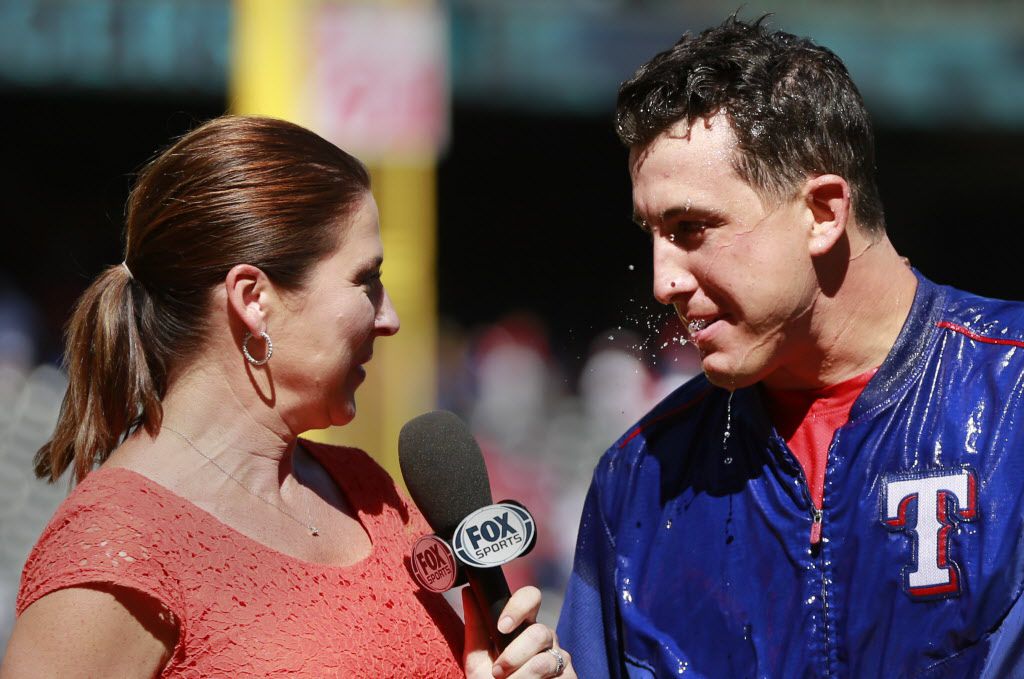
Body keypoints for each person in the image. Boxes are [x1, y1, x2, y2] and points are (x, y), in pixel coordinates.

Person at [1, 115, 574, 679]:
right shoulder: (118, 548)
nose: (390, 318)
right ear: (254, 299)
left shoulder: (369, 493)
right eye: (366, 280)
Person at [557, 15, 1024, 678]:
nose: (663, 281)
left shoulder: (1013, 398)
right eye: (654, 233)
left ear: (824, 211)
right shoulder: (639, 480)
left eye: (692, 227)